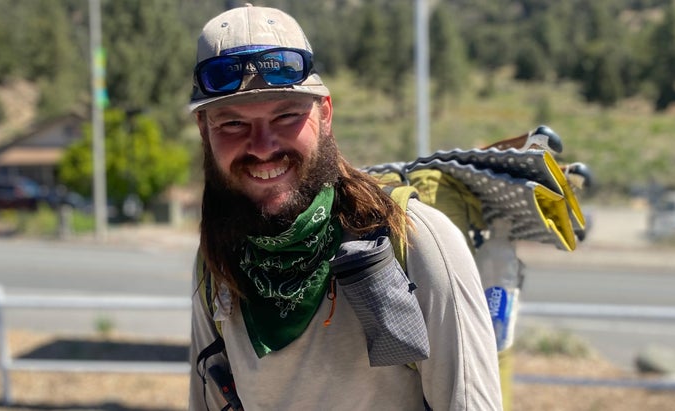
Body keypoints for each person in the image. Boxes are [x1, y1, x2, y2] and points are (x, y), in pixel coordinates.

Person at [187, 4, 503, 411]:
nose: (263, 147)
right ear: (203, 130)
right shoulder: (217, 258)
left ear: (326, 114)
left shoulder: (416, 241)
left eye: (286, 116)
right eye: (233, 124)